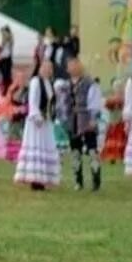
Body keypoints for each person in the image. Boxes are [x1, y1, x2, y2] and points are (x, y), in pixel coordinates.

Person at [58, 56, 105, 191]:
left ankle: (96, 181)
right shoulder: (65, 85)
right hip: (72, 122)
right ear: (67, 69)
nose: (73, 68)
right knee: (75, 152)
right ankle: (78, 181)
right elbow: (62, 104)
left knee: (92, 151)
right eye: (71, 66)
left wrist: (93, 119)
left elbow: (95, 102)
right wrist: (63, 119)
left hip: (86, 120)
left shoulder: (89, 83)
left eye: (76, 65)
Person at [14, 58, 61, 191]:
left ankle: (44, 177)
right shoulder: (36, 81)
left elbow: (51, 103)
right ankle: (35, 179)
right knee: (37, 147)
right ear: (40, 68)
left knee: (46, 147)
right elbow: (33, 101)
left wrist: (52, 116)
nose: (48, 70)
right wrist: (37, 116)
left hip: (46, 121)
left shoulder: (49, 83)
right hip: (36, 122)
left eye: (50, 68)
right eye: (45, 67)